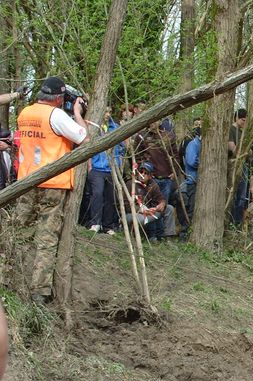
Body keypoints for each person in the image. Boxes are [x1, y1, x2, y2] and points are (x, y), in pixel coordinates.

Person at [16, 76, 89, 304]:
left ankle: (9, 277)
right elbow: (84, 138)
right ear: (58, 98)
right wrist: (77, 113)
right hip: (52, 182)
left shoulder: (25, 113)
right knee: (46, 238)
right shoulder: (56, 115)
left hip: (26, 181)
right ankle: (39, 290)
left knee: (20, 232)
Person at [87, 106, 125, 234]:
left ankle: (107, 225)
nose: (107, 114)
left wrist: (119, 162)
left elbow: (123, 148)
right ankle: (95, 223)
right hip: (97, 167)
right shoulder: (94, 127)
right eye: (105, 111)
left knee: (110, 197)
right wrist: (89, 164)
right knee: (97, 193)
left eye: (109, 111)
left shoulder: (115, 127)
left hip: (111, 168)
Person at [125, 162, 172, 241]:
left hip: (148, 210)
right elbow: (125, 205)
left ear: (150, 176)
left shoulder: (153, 185)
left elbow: (160, 198)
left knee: (169, 208)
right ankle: (149, 236)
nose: (142, 174)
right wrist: (140, 210)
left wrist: (161, 204)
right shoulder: (131, 184)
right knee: (144, 218)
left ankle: (168, 237)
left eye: (146, 173)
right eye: (141, 172)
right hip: (133, 213)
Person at [178, 125, 201, 240]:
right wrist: (204, 162)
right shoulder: (193, 144)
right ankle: (184, 235)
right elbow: (191, 161)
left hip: (199, 182)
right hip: (192, 180)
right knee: (190, 210)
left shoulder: (200, 145)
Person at [228, 108, 248, 226]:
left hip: (244, 164)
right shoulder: (231, 129)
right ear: (237, 118)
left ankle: (237, 222)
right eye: (243, 120)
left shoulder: (242, 132)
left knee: (242, 196)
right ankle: (231, 221)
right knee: (233, 194)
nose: (244, 123)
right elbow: (232, 148)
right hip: (234, 163)